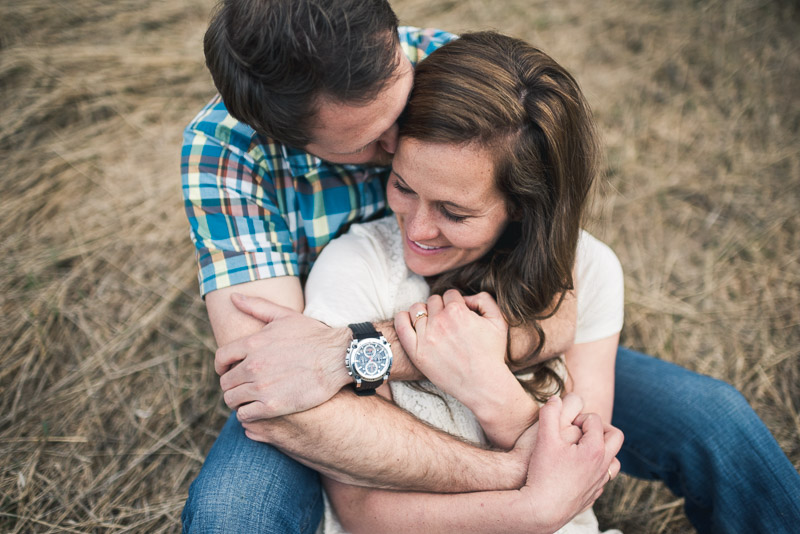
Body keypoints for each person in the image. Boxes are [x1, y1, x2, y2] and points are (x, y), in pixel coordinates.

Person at [181, 1, 800, 533]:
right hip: (342, 376)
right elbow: (277, 387)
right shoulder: (227, 155)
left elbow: (558, 283)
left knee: (714, 419)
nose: (403, 142)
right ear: (292, 138)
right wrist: (521, 481)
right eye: (373, 146)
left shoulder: (461, 75)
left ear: (392, 44)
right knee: (233, 510)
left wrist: (361, 351)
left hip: (477, 325)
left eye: (402, 108)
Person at [301, 31, 625, 533]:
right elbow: (362, 513)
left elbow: (582, 490)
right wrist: (531, 508)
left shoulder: (592, 270)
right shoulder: (355, 268)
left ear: (521, 206)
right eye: (403, 186)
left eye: (454, 212)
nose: (418, 227)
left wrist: (488, 387)